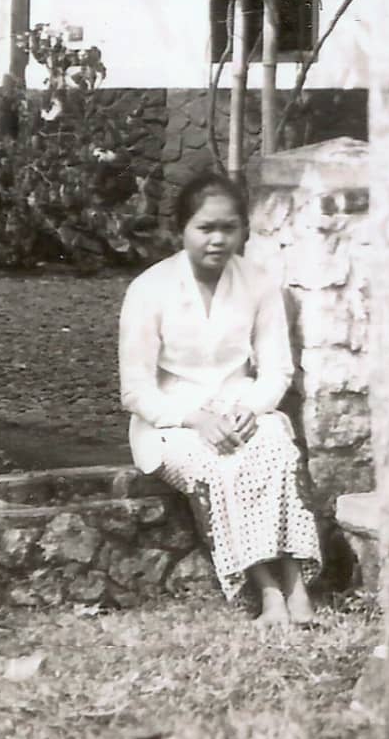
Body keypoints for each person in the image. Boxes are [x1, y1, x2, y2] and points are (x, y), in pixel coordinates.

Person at [119, 169, 325, 621]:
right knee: (222, 464)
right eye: (205, 228)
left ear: (242, 230)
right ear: (181, 230)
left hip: (241, 406)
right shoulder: (149, 290)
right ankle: (268, 590)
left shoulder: (257, 283)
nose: (217, 240)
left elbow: (277, 370)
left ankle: (296, 586)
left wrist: (250, 409)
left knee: (275, 449)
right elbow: (136, 391)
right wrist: (194, 418)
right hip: (171, 423)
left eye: (228, 228)